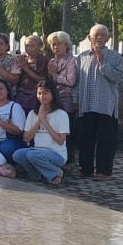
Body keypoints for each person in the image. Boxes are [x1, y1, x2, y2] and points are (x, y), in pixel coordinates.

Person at [76, 24, 123, 181]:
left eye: (103, 35)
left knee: (106, 140)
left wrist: (103, 63)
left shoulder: (115, 57)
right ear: (89, 38)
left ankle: (104, 171)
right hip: (86, 104)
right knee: (85, 139)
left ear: (108, 38)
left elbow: (119, 77)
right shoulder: (81, 57)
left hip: (106, 105)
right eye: (96, 35)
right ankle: (86, 169)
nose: (99, 38)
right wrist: (75, 100)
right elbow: (77, 81)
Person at [14, 79, 71, 185]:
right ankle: (38, 175)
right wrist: (39, 120)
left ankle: (56, 173)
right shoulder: (32, 113)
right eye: (39, 93)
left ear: (53, 94)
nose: (41, 96)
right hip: (36, 151)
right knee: (18, 154)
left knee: (33, 155)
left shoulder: (61, 114)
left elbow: (60, 140)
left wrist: (45, 121)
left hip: (56, 154)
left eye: (45, 93)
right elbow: (26, 138)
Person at [47, 30, 79, 171]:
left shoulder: (72, 61)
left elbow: (71, 81)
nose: (56, 47)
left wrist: (55, 75)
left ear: (66, 45)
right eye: (53, 44)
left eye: (59, 44)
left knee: (67, 131)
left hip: (67, 101)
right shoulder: (52, 61)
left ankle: (69, 161)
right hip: (54, 101)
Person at [15, 35, 49, 113]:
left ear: (39, 46)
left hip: (35, 95)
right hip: (21, 94)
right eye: (27, 45)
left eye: (32, 46)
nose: (29, 48)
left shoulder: (43, 60)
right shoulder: (24, 59)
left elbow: (42, 79)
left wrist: (26, 68)